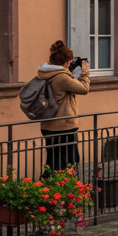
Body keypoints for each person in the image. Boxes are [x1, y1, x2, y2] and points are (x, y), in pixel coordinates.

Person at [38, 40, 90, 172]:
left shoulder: (44, 74)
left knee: (52, 160)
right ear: (66, 61)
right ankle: (63, 188)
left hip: (48, 125)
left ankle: (49, 187)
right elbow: (84, 88)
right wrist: (85, 73)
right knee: (66, 163)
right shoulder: (61, 77)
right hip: (64, 125)